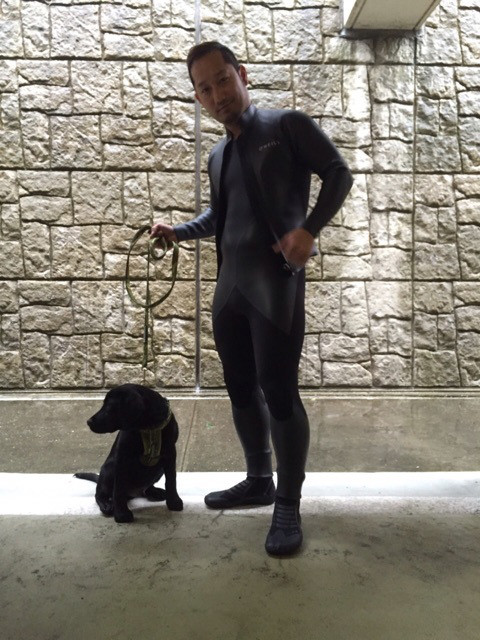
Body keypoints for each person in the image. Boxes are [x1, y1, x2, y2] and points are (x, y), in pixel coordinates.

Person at [151, 41, 353, 556]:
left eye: (222, 79)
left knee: (279, 392)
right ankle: (259, 479)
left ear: (241, 74)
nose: (217, 94)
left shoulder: (287, 126)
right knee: (240, 389)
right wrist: (177, 231)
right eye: (204, 88)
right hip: (230, 291)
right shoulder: (218, 155)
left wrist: (309, 230)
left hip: (274, 285)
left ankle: (288, 501)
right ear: (197, 97)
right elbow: (220, 217)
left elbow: (338, 172)